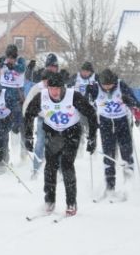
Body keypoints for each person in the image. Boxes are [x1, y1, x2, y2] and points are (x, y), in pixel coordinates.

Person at [23, 72, 98, 215]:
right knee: (50, 167)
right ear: (47, 88)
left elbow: (91, 113)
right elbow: (29, 114)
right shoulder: (42, 96)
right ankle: (49, 201)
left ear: (62, 88)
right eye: (51, 89)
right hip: (53, 133)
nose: (54, 92)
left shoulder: (73, 96)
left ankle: (71, 203)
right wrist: (28, 136)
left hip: (71, 133)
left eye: (57, 89)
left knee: (66, 164)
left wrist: (92, 137)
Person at [94, 68, 140, 199]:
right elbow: (85, 102)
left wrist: (131, 103)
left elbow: (138, 106)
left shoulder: (121, 86)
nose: (107, 88)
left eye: (110, 85)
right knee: (108, 155)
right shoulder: (95, 87)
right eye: (104, 85)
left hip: (122, 123)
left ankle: (129, 186)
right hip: (105, 124)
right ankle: (110, 187)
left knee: (126, 153)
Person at [0, 44, 29, 148]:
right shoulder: (3, 60)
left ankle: (24, 151)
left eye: (13, 58)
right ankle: (5, 154)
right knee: (4, 126)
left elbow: (22, 69)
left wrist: (13, 66)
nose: (10, 60)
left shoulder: (20, 60)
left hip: (18, 96)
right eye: (9, 57)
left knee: (20, 123)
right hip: (4, 96)